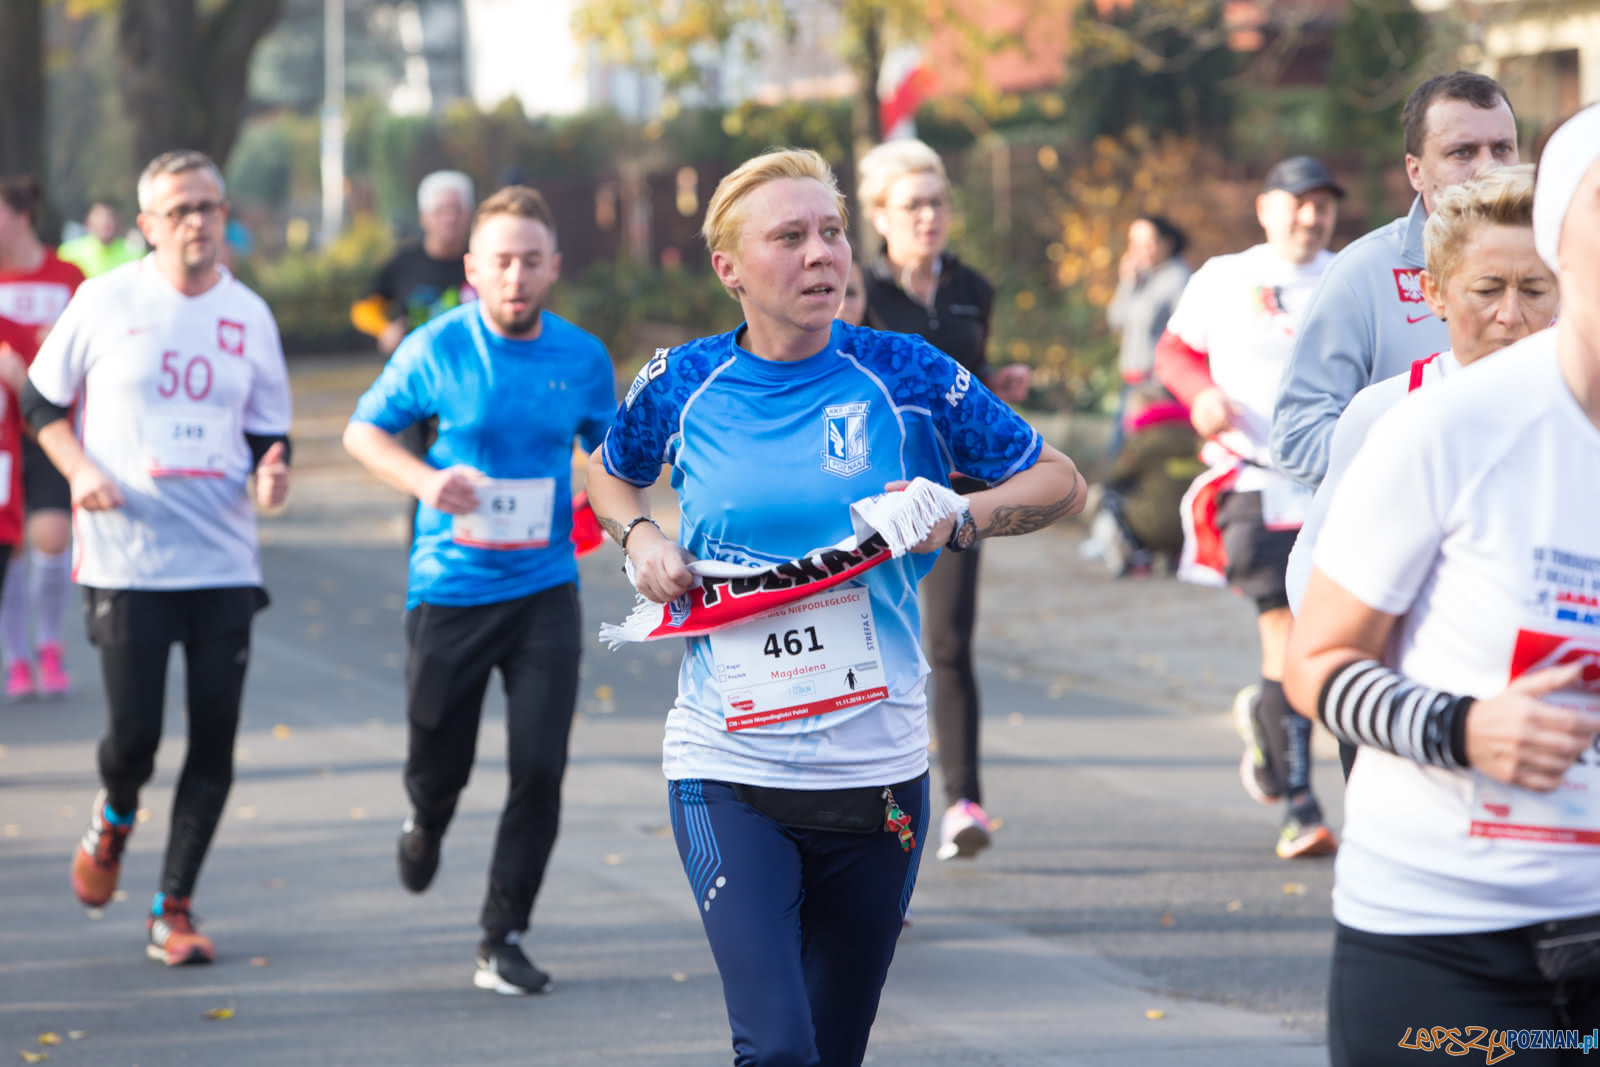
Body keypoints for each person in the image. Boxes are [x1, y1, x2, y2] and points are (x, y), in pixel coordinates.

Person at [586, 148, 1084, 1067]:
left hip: (878, 770)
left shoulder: (907, 374)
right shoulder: (683, 380)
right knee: (776, 1048)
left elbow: (1060, 480)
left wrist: (959, 516)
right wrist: (642, 539)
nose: (823, 255)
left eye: (832, 232)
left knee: (833, 1047)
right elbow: (610, 474)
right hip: (729, 762)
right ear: (728, 266)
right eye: (790, 237)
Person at [1282, 105, 1600, 1064]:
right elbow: (1317, 661)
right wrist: (1463, 727)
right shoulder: (1436, 426)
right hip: (1449, 939)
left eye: (1526, 291)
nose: (1511, 313)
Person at [343, 185, 615, 996]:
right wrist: (426, 482)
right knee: (439, 761)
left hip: (543, 587)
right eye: (502, 261)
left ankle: (503, 934)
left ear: (554, 267)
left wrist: (617, 515)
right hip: (451, 587)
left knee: (539, 765)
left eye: (532, 261)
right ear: (472, 268)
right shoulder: (436, 347)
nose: (517, 276)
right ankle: (424, 816)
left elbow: (612, 457)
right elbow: (364, 430)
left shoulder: (582, 357)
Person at [24, 150, 292, 965]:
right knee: (134, 739)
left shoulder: (249, 314)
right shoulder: (105, 301)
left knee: (214, 736)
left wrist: (273, 471)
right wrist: (79, 471)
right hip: (127, 559)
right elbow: (40, 399)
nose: (196, 223)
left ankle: (173, 907)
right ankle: (113, 813)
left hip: (221, 559)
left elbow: (265, 435)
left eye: (208, 207)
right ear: (147, 225)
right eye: (177, 210)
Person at [1154, 156, 1343, 859]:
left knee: (1330, 641)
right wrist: (1200, 394)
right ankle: (1301, 804)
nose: (1310, 215)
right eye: (1297, 202)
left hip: (1337, 483)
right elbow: (1172, 352)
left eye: (1322, 203)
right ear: (1266, 208)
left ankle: (1267, 732)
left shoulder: (1349, 275)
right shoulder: (1226, 277)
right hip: (1254, 480)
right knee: (1287, 636)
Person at [855, 138, 1032, 862]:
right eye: (912, 206)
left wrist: (999, 384)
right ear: (880, 216)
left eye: (937, 203)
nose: (928, 218)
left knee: (950, 645)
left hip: (953, 495)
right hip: (877, 497)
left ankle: (963, 799)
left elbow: (970, 378)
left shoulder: (972, 289)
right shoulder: (860, 292)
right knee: (876, 655)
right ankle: (879, 832)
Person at [1286, 164, 1554, 615]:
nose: (1511, 314)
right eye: (1487, 290)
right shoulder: (1384, 410)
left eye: (1534, 290)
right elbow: (1314, 562)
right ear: (1434, 292)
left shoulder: (1584, 413)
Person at [1271, 70, 1519, 489]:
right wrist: (1417, 465)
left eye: (1502, 149)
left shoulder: (1563, 262)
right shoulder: (1361, 275)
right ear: (1416, 171)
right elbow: (1297, 438)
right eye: (1463, 152)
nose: (1488, 169)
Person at [351, 170, 477, 536]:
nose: (449, 218)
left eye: (457, 209)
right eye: (441, 210)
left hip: (474, 379)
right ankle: (426, 542)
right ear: (425, 217)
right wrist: (385, 329)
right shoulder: (404, 262)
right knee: (424, 467)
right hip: (419, 387)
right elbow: (362, 308)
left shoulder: (483, 260)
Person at [0, 175, 86, 700]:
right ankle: (16, 659)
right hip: (3, 439)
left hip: (51, 430)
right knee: (8, 548)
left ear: (22, 215)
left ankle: (49, 644)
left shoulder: (67, 278)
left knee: (51, 538)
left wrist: (25, 376)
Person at [1080, 380, 1200, 577]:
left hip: (1152, 527)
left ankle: (1135, 558)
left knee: (1106, 496)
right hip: (1189, 525)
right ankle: (1175, 555)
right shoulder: (1191, 434)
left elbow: (1115, 475)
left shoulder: (1145, 438)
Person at [1106, 214, 1191, 456]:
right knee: (1123, 453)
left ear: (1166, 243)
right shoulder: (1141, 277)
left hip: (1158, 387)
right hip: (1132, 382)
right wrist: (1127, 284)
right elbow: (1116, 321)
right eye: (1134, 244)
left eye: (1146, 243)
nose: (1138, 251)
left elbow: (1184, 334)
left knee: (1138, 456)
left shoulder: (1178, 279)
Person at [57, 200, 144, 278]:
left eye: (111, 216)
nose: (105, 221)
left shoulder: (135, 254)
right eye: (99, 215)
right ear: (88, 220)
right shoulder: (68, 253)